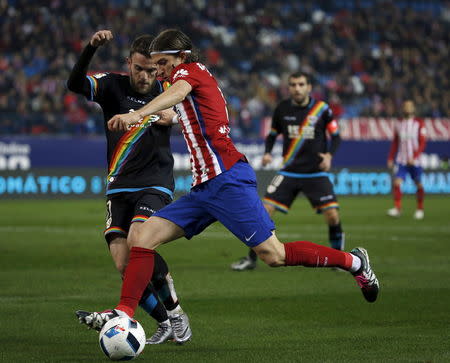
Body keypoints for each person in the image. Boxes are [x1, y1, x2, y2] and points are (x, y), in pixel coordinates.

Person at [76, 29, 379, 332]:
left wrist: (137, 114)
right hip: (204, 188)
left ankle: (353, 262)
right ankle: (125, 312)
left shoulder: (189, 72)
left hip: (227, 179)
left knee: (274, 255)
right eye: (156, 65)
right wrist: (158, 114)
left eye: (164, 63)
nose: (160, 72)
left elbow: (179, 93)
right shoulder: (184, 77)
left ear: (181, 57)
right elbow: (184, 106)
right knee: (140, 238)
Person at [67, 30, 191, 344]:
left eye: (152, 70)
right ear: (129, 64)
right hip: (118, 185)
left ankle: (176, 313)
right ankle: (163, 322)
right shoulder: (112, 85)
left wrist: (173, 116)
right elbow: (75, 84)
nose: (146, 76)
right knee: (124, 263)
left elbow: (190, 110)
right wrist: (90, 48)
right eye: (140, 69)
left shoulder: (167, 89)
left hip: (155, 182)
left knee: (140, 242)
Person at [231, 72, 344, 271]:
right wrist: (267, 153)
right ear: (289, 87)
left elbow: (335, 137)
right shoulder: (282, 108)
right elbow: (273, 135)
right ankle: (251, 259)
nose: (297, 88)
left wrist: (329, 156)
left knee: (333, 216)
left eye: (301, 84)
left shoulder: (322, 109)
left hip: (316, 172)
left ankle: (340, 259)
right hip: (289, 171)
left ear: (309, 87)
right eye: (293, 85)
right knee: (263, 212)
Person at [387, 100, 426, 220]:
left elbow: (422, 142)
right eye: (405, 106)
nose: (407, 108)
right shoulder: (398, 123)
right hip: (402, 160)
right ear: (403, 108)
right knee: (397, 182)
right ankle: (397, 209)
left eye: (409, 106)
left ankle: (420, 209)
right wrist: (390, 158)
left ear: (413, 108)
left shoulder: (419, 123)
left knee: (418, 183)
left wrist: (414, 157)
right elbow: (395, 142)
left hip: (415, 161)